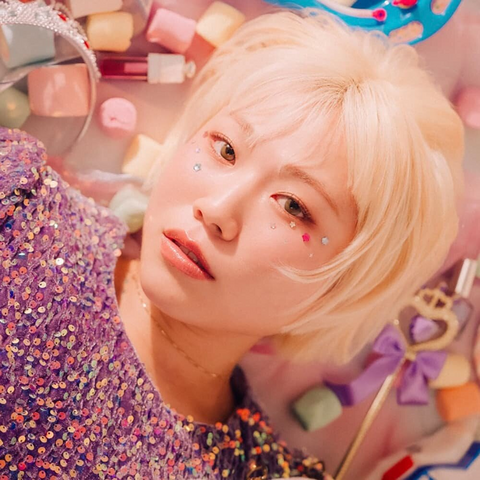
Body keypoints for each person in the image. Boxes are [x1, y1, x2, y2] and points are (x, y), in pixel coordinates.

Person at [0, 8, 463, 480]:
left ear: (348, 283)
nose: (217, 210)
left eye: (293, 206)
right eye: (226, 149)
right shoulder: (18, 203)